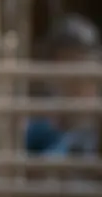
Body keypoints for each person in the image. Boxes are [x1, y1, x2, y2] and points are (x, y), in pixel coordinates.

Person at [24, 14, 100, 157]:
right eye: (66, 59)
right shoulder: (42, 123)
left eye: (79, 59)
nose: (73, 70)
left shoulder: (95, 118)